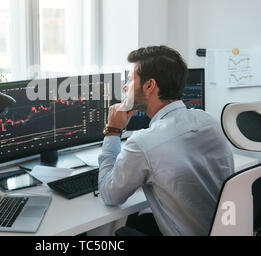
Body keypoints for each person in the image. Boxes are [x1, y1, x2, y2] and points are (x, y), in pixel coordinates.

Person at [98, 45, 235, 236]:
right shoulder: (208, 121)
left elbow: (109, 195)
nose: (125, 86)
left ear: (149, 86)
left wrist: (113, 131)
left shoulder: (144, 144)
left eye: (130, 80)